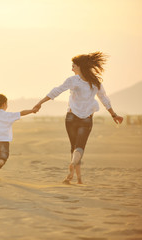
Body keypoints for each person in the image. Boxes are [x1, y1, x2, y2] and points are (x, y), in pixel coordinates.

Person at [33, 52, 123, 184]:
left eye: (73, 66)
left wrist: (39, 103)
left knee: (73, 146)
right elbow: (104, 99)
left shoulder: (73, 80)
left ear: (80, 66)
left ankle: (74, 177)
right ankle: (76, 174)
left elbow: (56, 91)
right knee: (79, 147)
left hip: (71, 118)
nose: (72, 69)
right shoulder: (95, 82)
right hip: (86, 118)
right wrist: (113, 115)